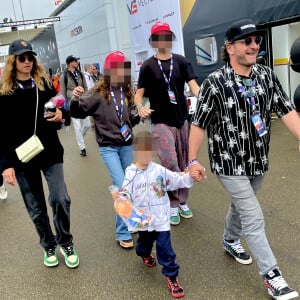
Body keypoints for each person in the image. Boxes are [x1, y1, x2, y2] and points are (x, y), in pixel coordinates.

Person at [188, 19, 300, 300]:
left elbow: (287, 111)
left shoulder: (267, 76)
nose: (254, 45)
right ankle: (272, 276)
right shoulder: (214, 83)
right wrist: (192, 160)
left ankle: (229, 239)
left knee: (240, 207)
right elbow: (199, 124)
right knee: (253, 215)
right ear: (230, 48)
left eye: (256, 40)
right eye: (246, 41)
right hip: (228, 163)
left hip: (258, 160)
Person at [0, 39, 79, 268]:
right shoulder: (5, 94)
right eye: (22, 58)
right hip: (23, 158)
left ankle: (65, 241)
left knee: (60, 199)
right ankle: (49, 245)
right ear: (13, 61)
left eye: (30, 57)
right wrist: (5, 166)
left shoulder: (43, 83)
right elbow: (1, 133)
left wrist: (61, 116)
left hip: (51, 151)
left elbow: (60, 110)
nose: (27, 61)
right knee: (36, 209)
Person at [70, 51, 139, 249]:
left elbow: (128, 120)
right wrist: (75, 99)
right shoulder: (97, 93)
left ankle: (127, 220)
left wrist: (140, 115)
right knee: (121, 186)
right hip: (108, 147)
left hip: (126, 144)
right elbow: (76, 112)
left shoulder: (126, 91)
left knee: (129, 185)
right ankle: (122, 232)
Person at [134, 21, 200, 225]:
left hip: (182, 120)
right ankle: (171, 203)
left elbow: (194, 86)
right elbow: (139, 95)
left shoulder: (181, 61)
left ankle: (183, 201)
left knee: (184, 162)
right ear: (154, 41)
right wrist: (140, 107)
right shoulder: (147, 66)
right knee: (169, 162)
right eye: (159, 36)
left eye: (166, 36)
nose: (163, 40)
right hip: (160, 121)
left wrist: (206, 101)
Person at [118, 131, 194, 298]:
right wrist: (121, 198)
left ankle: (172, 276)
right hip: (143, 221)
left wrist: (190, 176)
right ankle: (144, 253)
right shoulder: (130, 174)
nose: (145, 154)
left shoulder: (159, 170)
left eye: (148, 150)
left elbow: (176, 179)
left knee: (165, 248)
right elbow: (126, 194)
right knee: (144, 244)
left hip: (160, 219)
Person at [60, 55, 90, 156]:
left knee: (87, 124)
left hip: (83, 102)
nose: (77, 62)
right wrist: (64, 108)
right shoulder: (63, 75)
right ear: (70, 63)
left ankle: (79, 137)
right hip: (72, 103)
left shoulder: (80, 73)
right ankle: (82, 148)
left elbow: (85, 87)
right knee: (77, 126)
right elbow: (63, 93)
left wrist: (87, 98)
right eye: (75, 61)